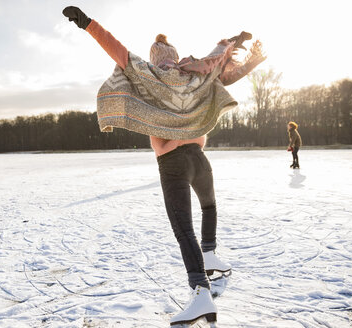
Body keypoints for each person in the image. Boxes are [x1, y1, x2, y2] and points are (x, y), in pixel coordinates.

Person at [62, 6, 265, 326]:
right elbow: (221, 65)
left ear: (156, 57)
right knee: (209, 207)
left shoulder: (149, 74)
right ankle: (210, 252)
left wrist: (88, 24)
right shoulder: (192, 73)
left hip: (172, 164)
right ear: (175, 54)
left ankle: (201, 293)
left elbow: (116, 48)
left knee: (184, 230)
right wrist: (244, 51)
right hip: (199, 159)